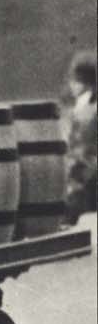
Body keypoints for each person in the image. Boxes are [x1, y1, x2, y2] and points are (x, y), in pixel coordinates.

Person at [64, 50, 97, 224]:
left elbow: (82, 155)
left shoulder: (86, 111)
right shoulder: (86, 108)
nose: (71, 85)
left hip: (86, 185)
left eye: (75, 80)